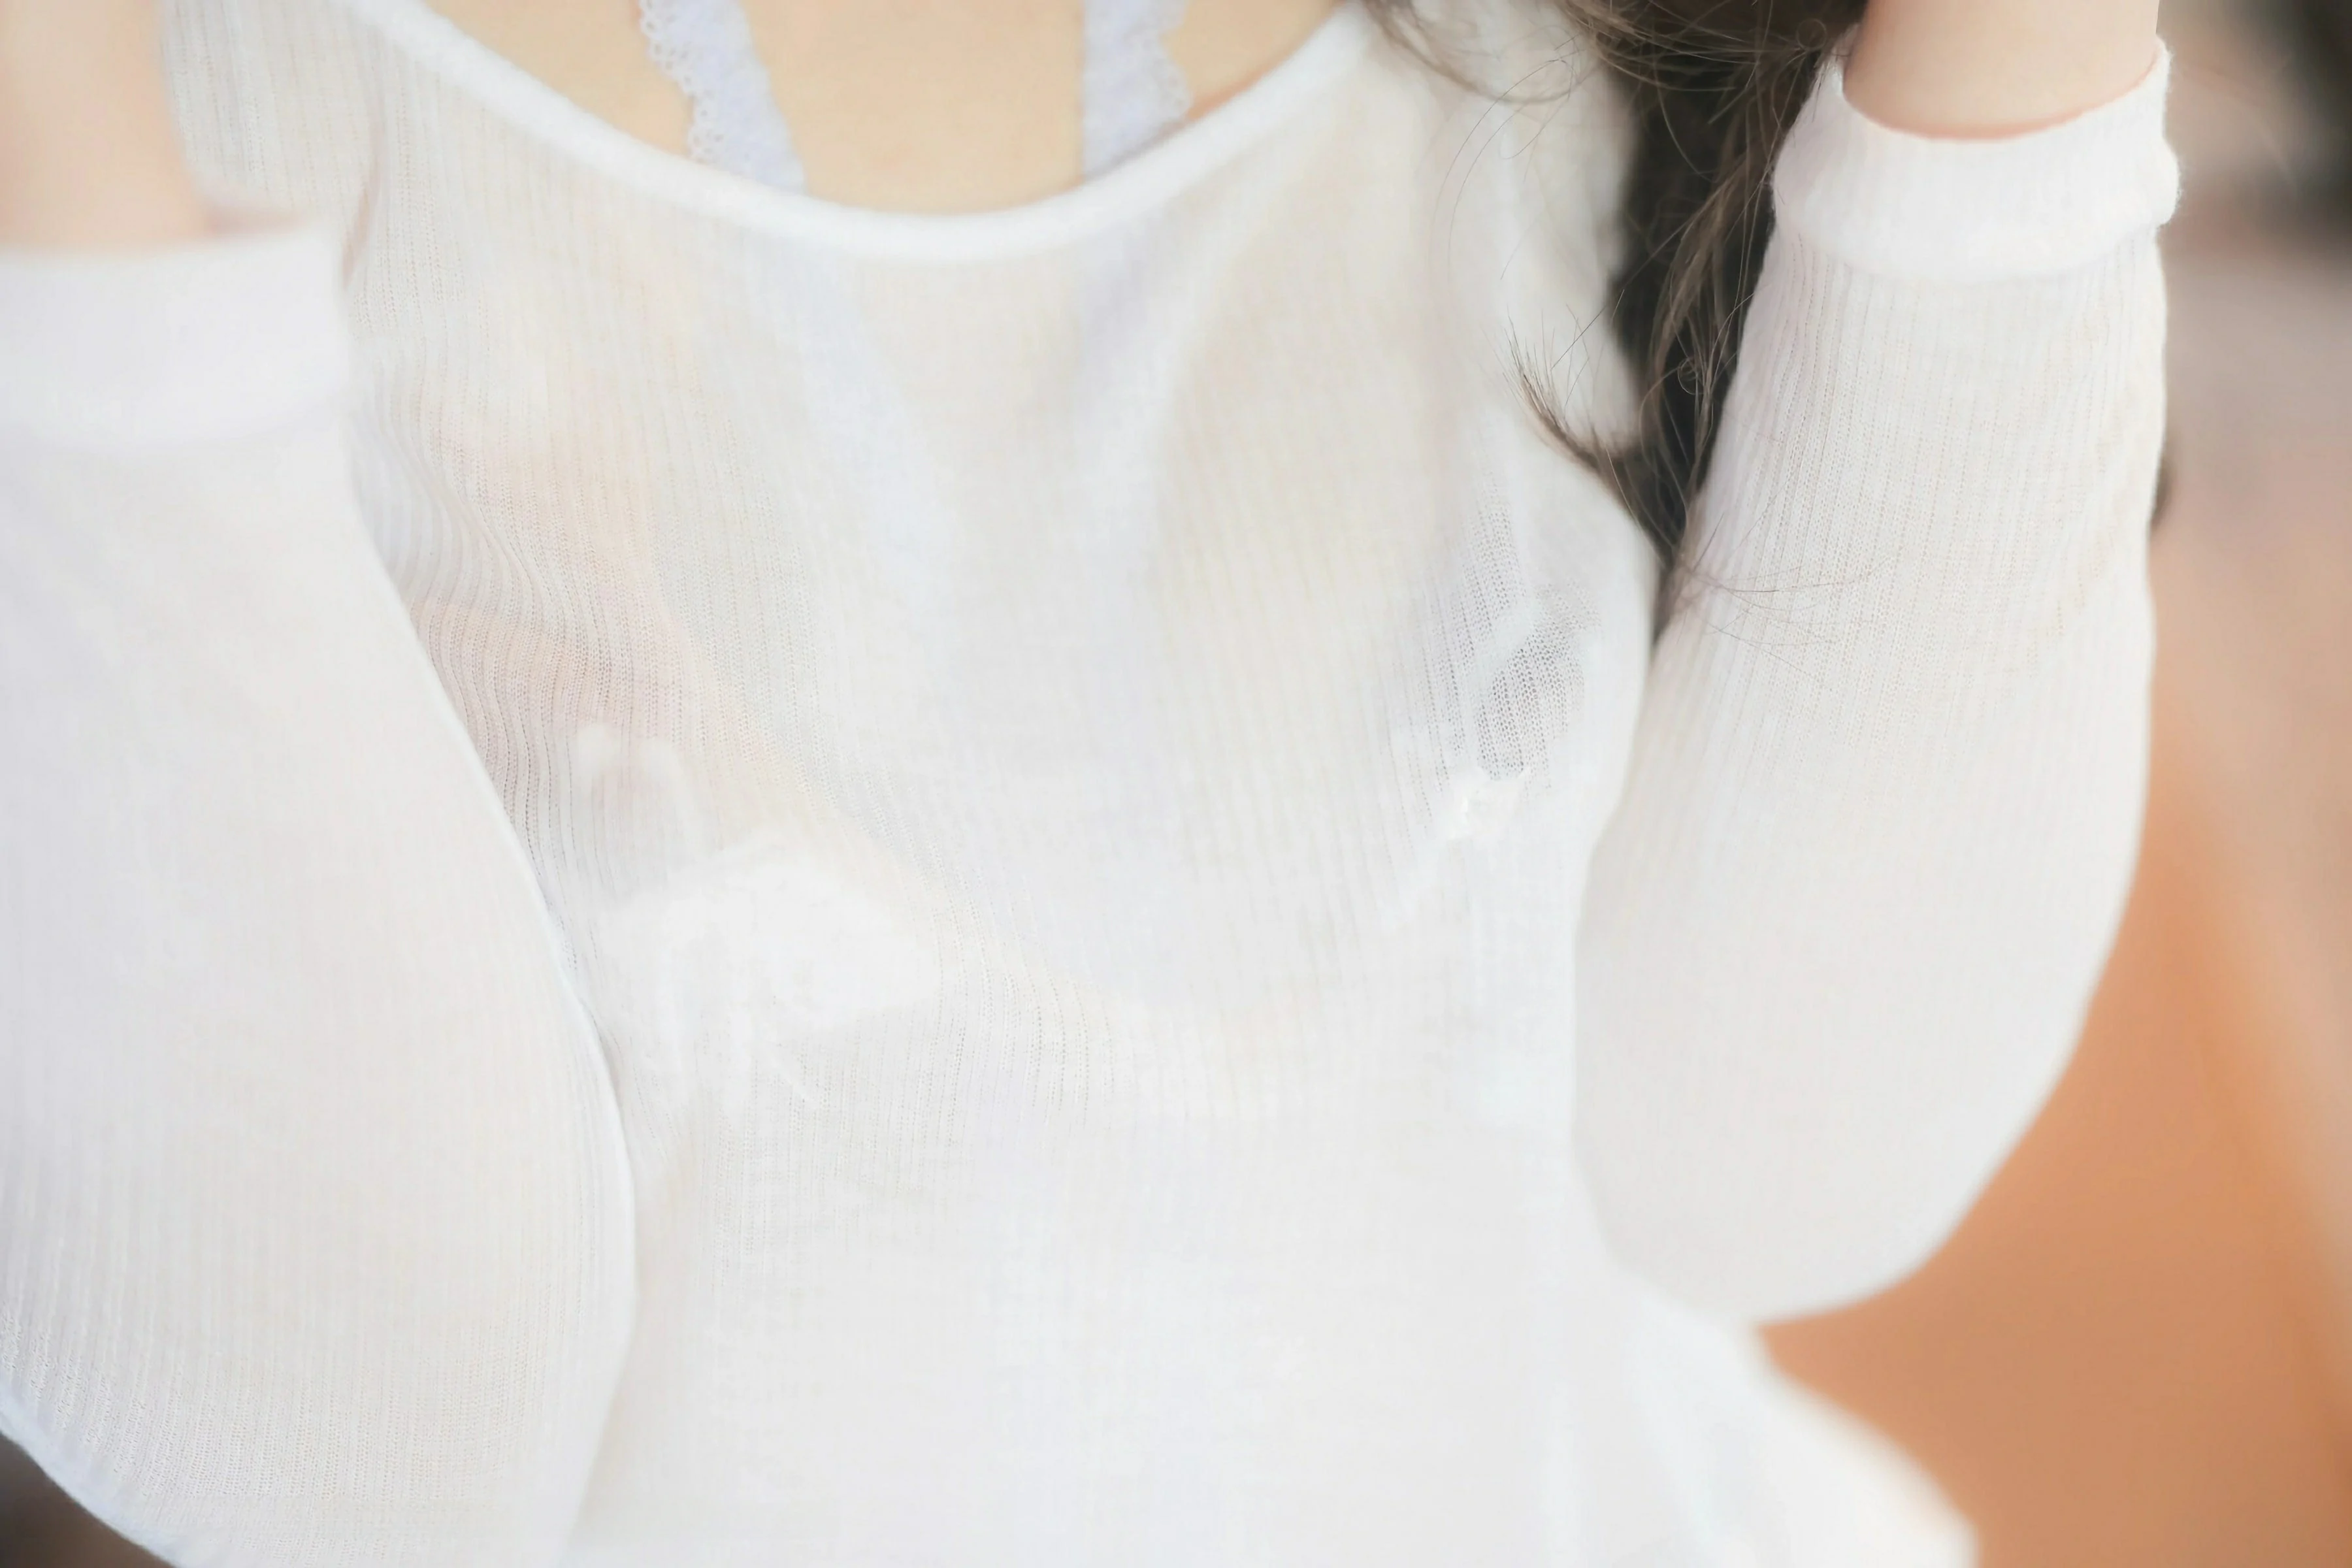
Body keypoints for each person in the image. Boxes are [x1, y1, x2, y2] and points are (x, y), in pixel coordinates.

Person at [0, 0, 2173, 1561]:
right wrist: (83, 250)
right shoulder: (155, 133)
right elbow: (331, 1475)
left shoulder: (1595, 39)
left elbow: (1790, 1173)